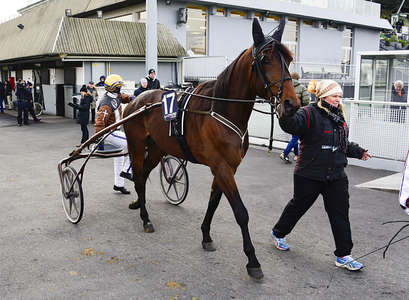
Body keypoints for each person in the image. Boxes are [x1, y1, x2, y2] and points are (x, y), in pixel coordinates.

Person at [271, 79, 372, 271]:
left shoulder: (339, 115)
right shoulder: (309, 113)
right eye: (335, 96)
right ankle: (278, 233)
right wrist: (285, 111)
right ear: (324, 96)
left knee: (340, 214)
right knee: (298, 207)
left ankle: (344, 255)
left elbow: (343, 143)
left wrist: (359, 152)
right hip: (309, 174)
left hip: (336, 176)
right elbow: (291, 125)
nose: (338, 99)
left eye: (340, 96)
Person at [94, 74, 134, 195]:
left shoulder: (114, 95)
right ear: (115, 88)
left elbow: (122, 97)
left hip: (116, 131)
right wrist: (99, 139)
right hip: (109, 133)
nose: (120, 89)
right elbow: (99, 122)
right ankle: (127, 170)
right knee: (134, 144)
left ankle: (118, 184)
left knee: (119, 157)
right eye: (119, 87)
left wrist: (132, 98)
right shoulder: (106, 103)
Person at [280, 72, 310, 163]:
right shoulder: (301, 88)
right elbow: (306, 101)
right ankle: (285, 153)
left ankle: (297, 154)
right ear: (298, 78)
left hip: (286, 114)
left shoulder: (285, 87)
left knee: (295, 135)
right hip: (298, 114)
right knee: (296, 136)